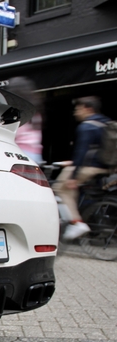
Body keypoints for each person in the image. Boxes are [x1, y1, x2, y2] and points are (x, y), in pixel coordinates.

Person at [53, 96, 110, 240]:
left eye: (78, 109)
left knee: (61, 188)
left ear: (87, 108)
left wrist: (73, 176)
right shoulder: (106, 124)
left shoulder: (86, 126)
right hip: (105, 168)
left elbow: (82, 152)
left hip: (89, 168)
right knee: (72, 190)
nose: (75, 112)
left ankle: (76, 223)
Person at [7, 77, 43, 164]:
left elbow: (13, 134)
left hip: (21, 153)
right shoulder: (35, 110)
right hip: (36, 155)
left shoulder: (19, 112)